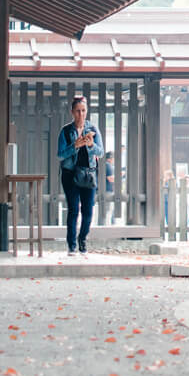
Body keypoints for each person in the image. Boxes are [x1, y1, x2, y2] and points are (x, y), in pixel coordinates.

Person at [57, 94, 104, 256]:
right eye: (77, 111)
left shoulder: (93, 130)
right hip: (70, 175)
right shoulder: (65, 131)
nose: (81, 114)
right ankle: (71, 245)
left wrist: (91, 145)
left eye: (83, 111)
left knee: (88, 211)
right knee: (73, 210)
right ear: (72, 112)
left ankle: (82, 239)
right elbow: (60, 154)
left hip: (88, 174)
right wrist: (75, 146)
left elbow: (101, 152)